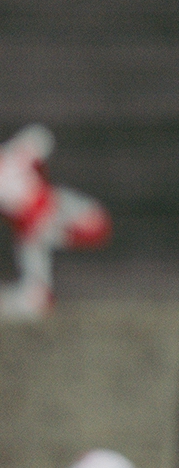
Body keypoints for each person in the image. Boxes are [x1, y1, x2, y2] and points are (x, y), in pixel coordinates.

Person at [0, 124, 110, 321]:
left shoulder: (12, 159)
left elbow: (40, 137)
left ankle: (34, 295)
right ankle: (33, 294)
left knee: (36, 239)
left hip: (52, 213)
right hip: (43, 218)